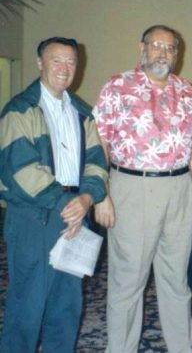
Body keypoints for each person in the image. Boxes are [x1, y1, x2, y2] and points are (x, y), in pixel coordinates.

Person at [93, 24, 192, 353]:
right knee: (128, 280)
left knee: (176, 280)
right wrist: (102, 192)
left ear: (178, 53)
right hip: (132, 187)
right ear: (141, 48)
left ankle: (181, 348)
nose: (162, 52)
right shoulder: (117, 86)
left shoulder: (187, 90)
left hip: (179, 189)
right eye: (156, 45)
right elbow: (99, 141)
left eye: (170, 47)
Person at [0, 37, 109, 353]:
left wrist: (87, 200)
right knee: (27, 303)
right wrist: (69, 206)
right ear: (40, 63)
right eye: (56, 60)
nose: (65, 68)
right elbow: (19, 169)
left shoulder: (82, 112)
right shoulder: (20, 109)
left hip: (77, 209)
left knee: (66, 302)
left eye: (71, 61)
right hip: (34, 217)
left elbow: (97, 163)